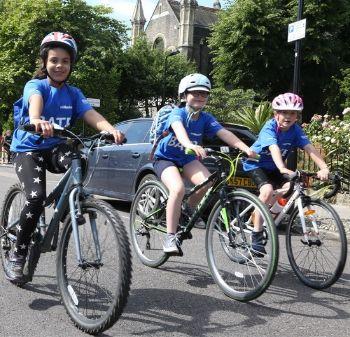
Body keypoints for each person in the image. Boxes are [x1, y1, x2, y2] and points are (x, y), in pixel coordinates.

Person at [6, 32, 124, 283]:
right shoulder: (35, 86)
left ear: (71, 65)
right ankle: (19, 251)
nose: (59, 66)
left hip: (54, 148)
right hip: (28, 148)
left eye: (65, 61)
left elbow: (91, 114)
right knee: (35, 198)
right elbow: (34, 102)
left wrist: (111, 129)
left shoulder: (73, 93)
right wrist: (36, 119)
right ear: (45, 63)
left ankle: (64, 207)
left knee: (79, 160)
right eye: (54, 60)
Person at [153, 73, 256, 253]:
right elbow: (178, 129)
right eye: (195, 93)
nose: (200, 97)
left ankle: (186, 211)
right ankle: (170, 237)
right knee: (177, 189)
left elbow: (224, 133)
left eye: (204, 94)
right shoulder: (177, 113)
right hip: (165, 158)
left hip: (187, 158)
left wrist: (245, 148)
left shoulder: (206, 118)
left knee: (208, 182)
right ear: (184, 95)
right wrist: (188, 144)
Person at [243, 92, 329, 255]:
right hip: (256, 164)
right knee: (267, 190)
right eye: (284, 112)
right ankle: (256, 236)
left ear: (297, 116)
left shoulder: (296, 130)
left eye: (293, 113)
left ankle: (267, 213)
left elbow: (309, 148)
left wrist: (324, 168)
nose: (288, 116)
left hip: (274, 168)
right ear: (276, 114)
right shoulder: (269, 127)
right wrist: (283, 168)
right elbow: (274, 148)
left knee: (292, 187)